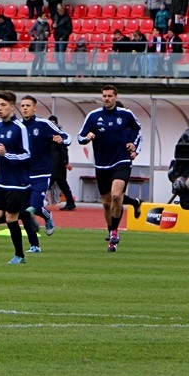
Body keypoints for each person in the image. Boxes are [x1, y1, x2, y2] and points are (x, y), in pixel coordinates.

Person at [77, 85, 143, 252]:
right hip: (101, 164)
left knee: (116, 195)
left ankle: (115, 232)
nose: (106, 99)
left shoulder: (126, 114)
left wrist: (133, 146)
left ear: (115, 97)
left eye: (109, 96)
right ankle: (112, 231)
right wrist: (87, 137)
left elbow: (138, 130)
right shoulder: (94, 116)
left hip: (121, 161)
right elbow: (79, 137)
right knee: (106, 203)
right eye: (104, 96)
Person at [0, 91, 30, 264]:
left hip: (17, 183)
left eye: (3, 105)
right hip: (2, 181)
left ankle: (20, 255)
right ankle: (24, 215)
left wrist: (7, 155)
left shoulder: (20, 128)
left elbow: (27, 155)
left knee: (10, 218)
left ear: (12, 106)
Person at [18, 96, 70, 253]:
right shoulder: (17, 126)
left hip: (42, 173)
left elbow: (68, 137)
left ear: (35, 108)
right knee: (25, 210)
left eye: (28, 105)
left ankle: (46, 218)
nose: (25, 108)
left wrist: (62, 139)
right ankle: (35, 245)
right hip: (23, 174)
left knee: (31, 207)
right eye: (23, 105)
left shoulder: (44, 124)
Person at [47, 115, 76, 211]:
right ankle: (70, 202)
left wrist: (65, 162)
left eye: (53, 122)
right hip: (53, 164)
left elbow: (64, 149)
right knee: (62, 184)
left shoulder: (59, 135)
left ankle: (34, 203)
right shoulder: (47, 134)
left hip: (57, 165)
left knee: (47, 184)